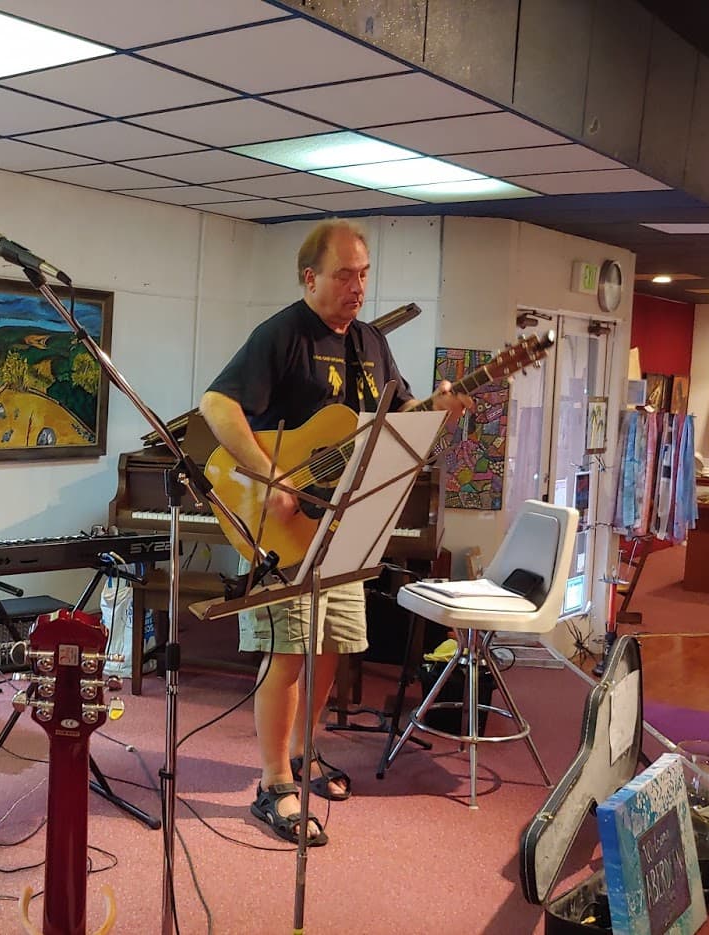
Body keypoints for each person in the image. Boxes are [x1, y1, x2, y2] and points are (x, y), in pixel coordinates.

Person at [199, 219, 469, 845]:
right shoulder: (282, 334)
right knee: (289, 651)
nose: (358, 286)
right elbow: (217, 404)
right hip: (285, 526)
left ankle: (302, 750)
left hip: (342, 526)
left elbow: (396, 420)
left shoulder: (372, 343)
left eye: (364, 274)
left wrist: (439, 410)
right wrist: (269, 474)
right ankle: (272, 783)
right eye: (345, 274)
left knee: (328, 646)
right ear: (309, 277)